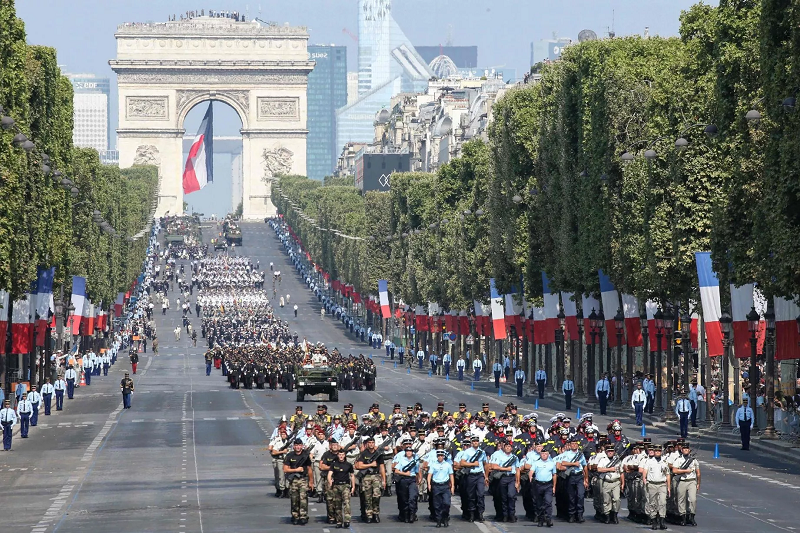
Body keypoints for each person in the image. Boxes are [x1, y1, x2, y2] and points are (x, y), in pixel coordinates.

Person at [555, 436, 588, 523]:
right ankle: (571, 515)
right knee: (571, 496)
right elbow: (563, 463)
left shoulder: (581, 454)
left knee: (580, 495)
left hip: (579, 476)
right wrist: (574, 464)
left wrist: (586, 479)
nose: (574, 445)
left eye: (575, 444)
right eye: (572, 444)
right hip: (571, 476)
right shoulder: (567, 453)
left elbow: (584, 466)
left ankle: (580, 514)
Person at [355, 436, 386, 523]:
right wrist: (370, 465)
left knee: (377, 496)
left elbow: (382, 467)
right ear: (367, 444)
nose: (371, 444)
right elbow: (358, 465)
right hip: (366, 477)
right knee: (367, 497)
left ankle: (376, 513)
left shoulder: (378, 454)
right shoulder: (364, 454)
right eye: (369, 443)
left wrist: (384, 480)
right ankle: (369, 514)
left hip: (376, 476)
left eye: (373, 442)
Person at [457, 435, 488, 523]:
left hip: (480, 475)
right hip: (470, 475)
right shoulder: (467, 452)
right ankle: (472, 514)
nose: (475, 442)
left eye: (477, 441)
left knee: (481, 494)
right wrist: (473, 464)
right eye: (474, 441)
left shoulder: (482, 452)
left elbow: (486, 464)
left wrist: (486, 476)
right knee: (471, 496)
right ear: (471, 442)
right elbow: (462, 463)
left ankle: (480, 513)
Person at [489, 440, 520, 523]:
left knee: (511, 496)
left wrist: (518, 481)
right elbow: (494, 467)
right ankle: (505, 515)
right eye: (506, 446)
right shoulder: (499, 456)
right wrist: (506, 469)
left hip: (511, 478)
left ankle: (512, 514)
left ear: (511, 448)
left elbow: (517, 470)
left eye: (509, 447)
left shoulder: (515, 457)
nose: (508, 448)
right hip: (503, 477)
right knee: (503, 497)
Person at [284, 438, 313, 525]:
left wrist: (311, 481)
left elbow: (309, 469)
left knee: (303, 498)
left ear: (302, 446)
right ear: (294, 446)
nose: (298, 447)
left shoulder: (305, 456)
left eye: (299, 445)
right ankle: (295, 515)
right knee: (294, 499)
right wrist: (296, 469)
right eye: (296, 445)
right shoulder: (290, 455)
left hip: (303, 479)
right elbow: (285, 469)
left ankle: (303, 515)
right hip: (293, 480)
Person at [670, 442, 699, 526]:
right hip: (682, 481)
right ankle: (683, 518)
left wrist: (698, 483)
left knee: (693, 499)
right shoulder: (678, 460)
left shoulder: (693, 460)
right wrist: (685, 471)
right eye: (684, 449)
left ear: (689, 450)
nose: (686, 450)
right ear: (682, 450)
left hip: (691, 481)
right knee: (681, 500)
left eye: (687, 449)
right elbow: (674, 471)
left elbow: (698, 473)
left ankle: (692, 517)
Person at [641, 445, 670, 530]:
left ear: (661, 452)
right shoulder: (649, 461)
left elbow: (667, 475)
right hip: (652, 484)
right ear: (654, 452)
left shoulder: (664, 462)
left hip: (662, 484)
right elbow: (644, 472)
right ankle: (654, 521)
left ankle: (662, 521)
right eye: (656, 451)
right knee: (652, 503)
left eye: (659, 451)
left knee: (662, 502)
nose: (657, 453)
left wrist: (668, 487)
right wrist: (645, 481)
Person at [595, 444, 624, 523]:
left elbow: (621, 472)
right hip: (606, 482)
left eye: (612, 451)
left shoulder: (617, 460)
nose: (610, 453)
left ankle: (614, 515)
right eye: (609, 451)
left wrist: (622, 483)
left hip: (616, 482)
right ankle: (607, 516)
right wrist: (609, 469)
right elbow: (599, 469)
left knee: (617, 499)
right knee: (606, 500)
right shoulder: (603, 460)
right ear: (606, 452)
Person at [393, 439, 421, 523]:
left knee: (413, 497)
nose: (409, 452)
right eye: (407, 451)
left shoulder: (415, 458)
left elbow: (418, 470)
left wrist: (419, 478)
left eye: (410, 451)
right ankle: (405, 514)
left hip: (412, 480)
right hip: (403, 480)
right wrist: (405, 474)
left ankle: (412, 514)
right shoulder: (401, 458)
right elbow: (395, 469)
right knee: (403, 498)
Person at [529, 447, 557, 527]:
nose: (544, 455)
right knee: (539, 503)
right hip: (538, 485)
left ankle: (548, 519)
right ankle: (541, 519)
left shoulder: (551, 463)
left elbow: (554, 475)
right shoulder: (536, 463)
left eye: (545, 454)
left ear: (548, 455)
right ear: (540, 454)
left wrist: (554, 486)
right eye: (542, 454)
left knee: (548, 502)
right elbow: (531, 471)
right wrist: (530, 476)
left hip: (548, 485)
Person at [328, 448, 355, 529]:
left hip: (345, 485)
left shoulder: (348, 465)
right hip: (336, 486)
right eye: (340, 455)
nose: (341, 456)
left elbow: (352, 476)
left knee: (346, 503)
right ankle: (339, 521)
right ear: (337, 455)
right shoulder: (334, 464)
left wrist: (353, 486)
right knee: (337, 505)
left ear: (345, 455)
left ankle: (347, 520)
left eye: (342, 455)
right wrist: (330, 482)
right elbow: (329, 474)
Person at [427, 449, 455, 528]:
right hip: (436, 486)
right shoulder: (433, 464)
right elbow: (430, 474)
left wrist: (452, 486)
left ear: (443, 456)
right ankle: (438, 520)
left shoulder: (447, 465)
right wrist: (429, 484)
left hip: (445, 486)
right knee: (437, 505)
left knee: (446, 503)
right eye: (438, 456)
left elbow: (451, 475)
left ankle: (445, 518)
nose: (440, 457)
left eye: (441, 456)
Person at [269, 427, 292, 497]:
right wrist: (282, 451)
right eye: (282, 434)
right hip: (280, 460)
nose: (283, 436)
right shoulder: (277, 442)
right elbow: (273, 452)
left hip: (287, 461)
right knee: (281, 476)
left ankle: (287, 490)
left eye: (285, 434)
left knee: (288, 476)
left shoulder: (289, 442)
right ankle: (282, 489)